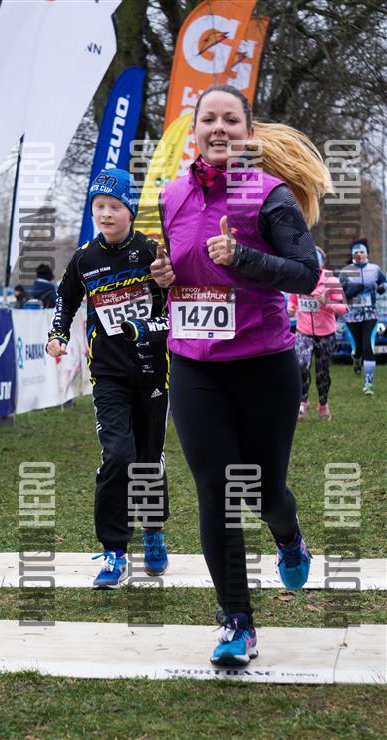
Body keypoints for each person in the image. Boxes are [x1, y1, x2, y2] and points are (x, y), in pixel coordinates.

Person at [151, 83, 332, 666]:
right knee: (217, 490)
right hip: (196, 368)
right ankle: (237, 622)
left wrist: (245, 258)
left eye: (231, 120)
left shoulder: (270, 195)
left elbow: (306, 274)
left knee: (262, 491)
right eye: (209, 119)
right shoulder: (172, 195)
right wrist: (162, 277)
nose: (219, 129)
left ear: (248, 133)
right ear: (195, 130)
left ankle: (288, 534)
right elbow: (178, 270)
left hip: (263, 364)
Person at [46, 168, 170, 589]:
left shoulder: (151, 251)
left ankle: (152, 529)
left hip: (152, 371)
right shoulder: (85, 258)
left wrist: (149, 323)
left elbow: (172, 307)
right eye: (99, 206)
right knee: (117, 456)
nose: (106, 213)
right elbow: (66, 299)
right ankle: (114, 551)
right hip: (108, 373)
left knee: (148, 459)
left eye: (114, 206)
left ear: (130, 211)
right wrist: (59, 335)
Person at [287, 247, 348, 420]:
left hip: (326, 334)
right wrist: (291, 308)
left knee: (322, 371)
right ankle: (302, 403)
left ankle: (323, 404)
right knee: (301, 365)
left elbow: (343, 308)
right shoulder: (299, 278)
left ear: (321, 262)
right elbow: (293, 301)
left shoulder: (331, 280)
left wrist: (326, 301)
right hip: (304, 331)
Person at [339, 240, 386, 395]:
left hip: (370, 313)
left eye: (362, 252)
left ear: (367, 254)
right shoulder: (346, 271)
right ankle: (356, 361)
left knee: (368, 347)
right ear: (352, 255)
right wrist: (353, 292)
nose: (359, 254)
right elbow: (338, 295)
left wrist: (381, 288)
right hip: (351, 315)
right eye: (356, 252)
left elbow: (383, 283)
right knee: (357, 350)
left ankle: (368, 385)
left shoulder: (374, 269)